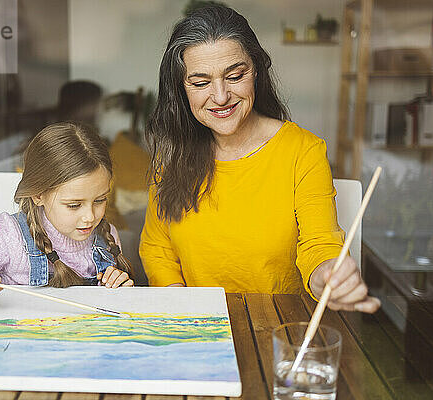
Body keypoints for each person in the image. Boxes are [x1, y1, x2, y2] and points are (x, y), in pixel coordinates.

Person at [140, 4, 380, 313]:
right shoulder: (173, 154)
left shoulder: (303, 150)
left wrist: (326, 275)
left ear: (256, 70)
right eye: (200, 83)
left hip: (280, 327)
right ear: (181, 89)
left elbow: (320, 244)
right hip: (196, 327)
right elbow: (157, 249)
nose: (221, 96)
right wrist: (185, 311)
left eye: (235, 76)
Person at [0, 122, 134, 316]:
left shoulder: (107, 236)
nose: (90, 217)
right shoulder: (7, 236)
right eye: (74, 205)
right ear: (38, 195)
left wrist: (118, 288)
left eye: (100, 200)